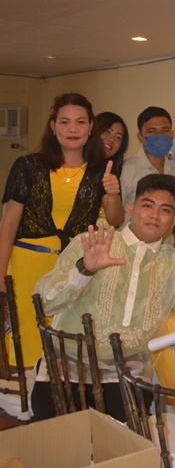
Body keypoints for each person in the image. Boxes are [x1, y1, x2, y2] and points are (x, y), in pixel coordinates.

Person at [32, 174, 175, 422]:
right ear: (131, 209)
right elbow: (44, 301)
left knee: (123, 438)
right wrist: (84, 269)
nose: (154, 215)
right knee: (56, 437)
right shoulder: (92, 243)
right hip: (66, 364)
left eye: (165, 210)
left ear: (174, 221)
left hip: (127, 371)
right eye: (147, 205)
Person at [1, 93, 123, 365]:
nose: (72, 129)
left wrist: (113, 192)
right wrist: (0, 275)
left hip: (73, 270)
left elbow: (115, 219)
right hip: (26, 266)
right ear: (53, 126)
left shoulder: (100, 171)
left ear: (90, 127)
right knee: (25, 345)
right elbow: (8, 224)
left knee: (66, 346)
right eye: (65, 122)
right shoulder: (28, 166)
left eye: (80, 122)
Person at [119, 106, 175, 241]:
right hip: (129, 247)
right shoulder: (127, 169)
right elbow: (114, 216)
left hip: (164, 247)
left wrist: (174, 243)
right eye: (152, 131)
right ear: (140, 137)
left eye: (165, 130)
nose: (159, 136)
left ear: (172, 134)